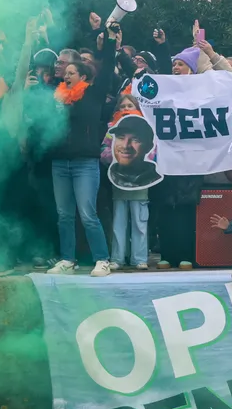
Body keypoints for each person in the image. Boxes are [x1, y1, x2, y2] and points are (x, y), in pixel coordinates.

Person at [46, 42, 115, 278]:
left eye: (71, 73)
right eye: (64, 74)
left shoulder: (93, 95)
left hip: (85, 163)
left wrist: (108, 40)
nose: (66, 76)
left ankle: (102, 260)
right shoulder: (57, 99)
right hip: (60, 163)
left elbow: (106, 70)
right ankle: (67, 259)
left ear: (83, 76)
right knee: (64, 214)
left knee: (87, 213)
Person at [105, 114, 157, 270]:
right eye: (120, 138)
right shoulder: (110, 127)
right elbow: (104, 148)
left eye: (135, 140)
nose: (126, 145)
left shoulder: (147, 123)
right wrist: (108, 157)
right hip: (118, 187)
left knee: (140, 223)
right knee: (118, 223)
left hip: (141, 188)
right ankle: (117, 258)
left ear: (147, 145)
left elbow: (156, 153)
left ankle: (139, 258)